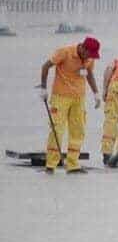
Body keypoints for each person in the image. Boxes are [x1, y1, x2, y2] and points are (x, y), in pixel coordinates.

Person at [37, 37, 102, 174]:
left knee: (78, 130)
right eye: (89, 54)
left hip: (79, 99)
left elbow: (89, 74)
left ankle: (73, 165)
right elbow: (45, 66)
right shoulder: (65, 52)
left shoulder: (89, 59)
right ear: (83, 48)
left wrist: (96, 93)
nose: (90, 58)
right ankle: (51, 164)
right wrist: (43, 88)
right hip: (60, 97)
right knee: (57, 129)